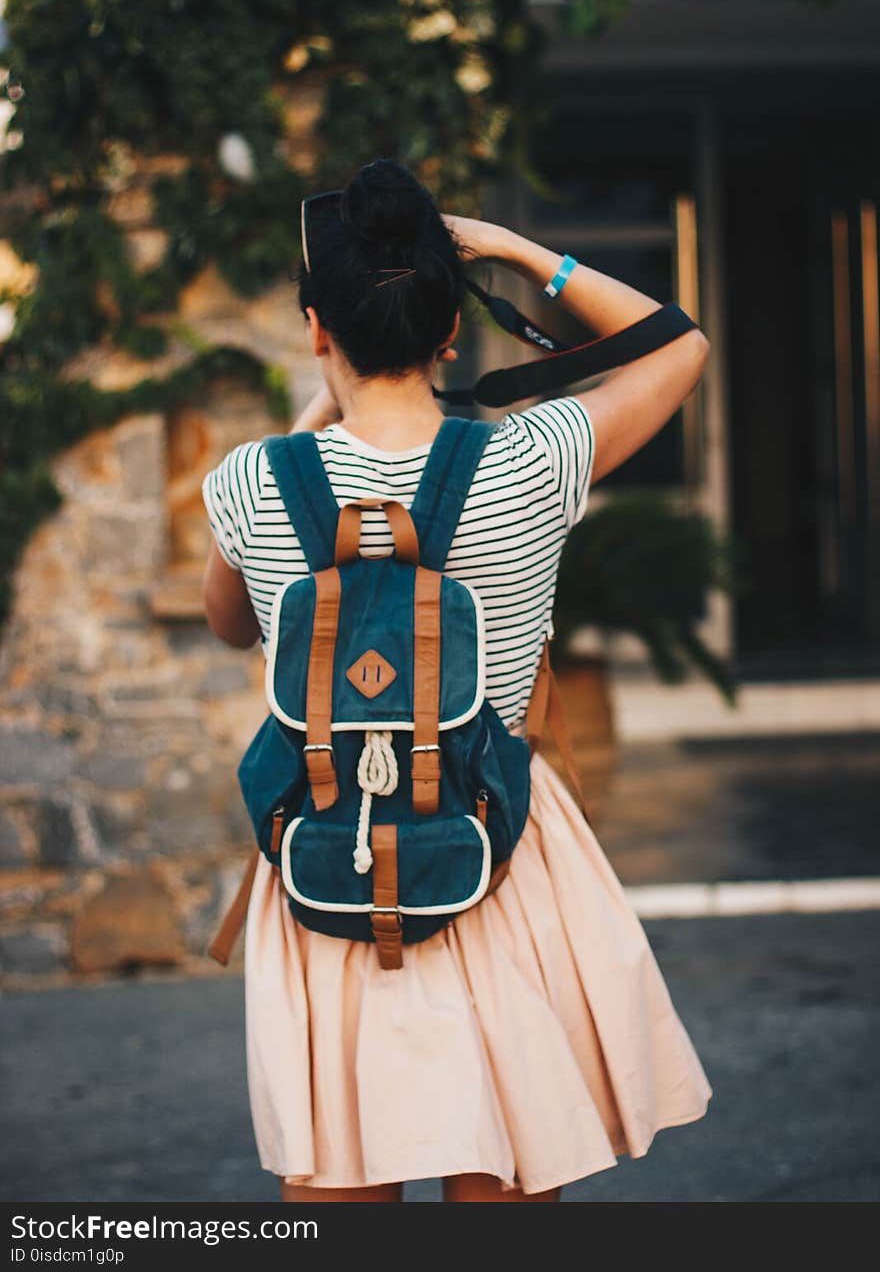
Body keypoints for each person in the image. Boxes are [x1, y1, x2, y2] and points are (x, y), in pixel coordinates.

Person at [201, 157, 712, 1203]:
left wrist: (309, 431)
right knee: (504, 1187)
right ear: (449, 333)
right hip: (497, 846)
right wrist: (522, 254)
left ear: (314, 330)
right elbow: (678, 346)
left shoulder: (251, 481)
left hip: (326, 853)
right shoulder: (531, 459)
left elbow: (226, 624)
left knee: (342, 1184)